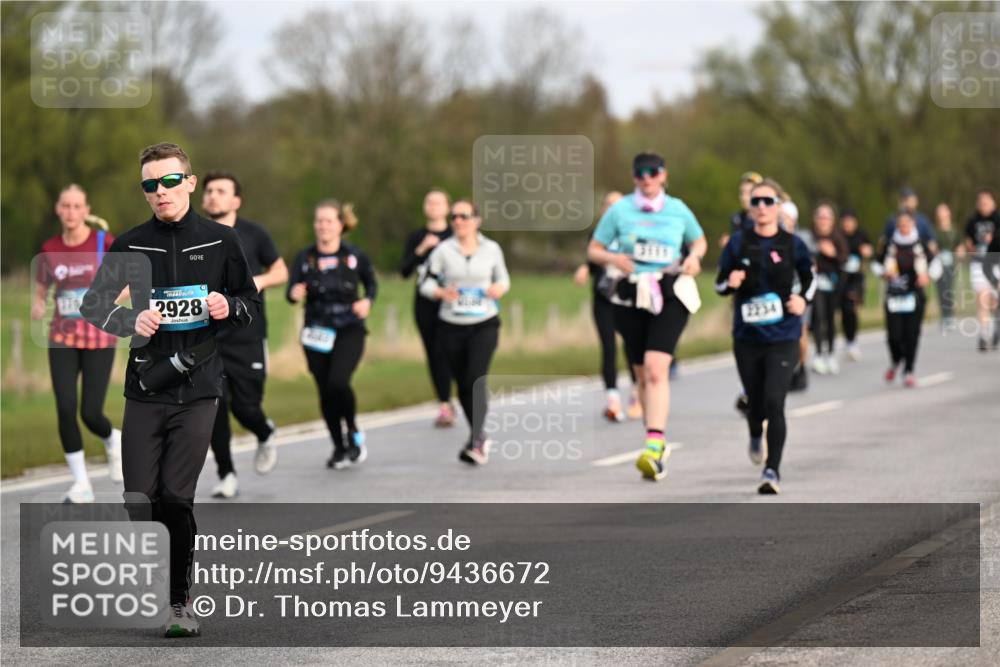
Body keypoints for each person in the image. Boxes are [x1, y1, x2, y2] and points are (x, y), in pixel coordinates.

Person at [81, 142, 261, 638]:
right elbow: (94, 306)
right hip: (146, 386)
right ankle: (164, 576)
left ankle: (178, 603)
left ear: (189, 182)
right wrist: (128, 317)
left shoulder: (221, 241)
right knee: (140, 499)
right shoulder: (130, 244)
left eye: (167, 181)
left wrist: (229, 306)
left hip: (200, 388)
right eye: (149, 185)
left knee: (176, 499)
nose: (159, 193)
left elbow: (250, 302)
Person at [587, 151, 707, 482]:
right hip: (630, 295)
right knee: (641, 374)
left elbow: (699, 241)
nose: (647, 178)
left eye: (653, 172)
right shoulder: (620, 210)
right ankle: (656, 441)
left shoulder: (678, 209)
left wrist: (694, 258)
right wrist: (615, 258)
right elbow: (593, 249)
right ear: (633, 176)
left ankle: (653, 444)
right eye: (640, 172)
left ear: (664, 175)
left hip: (670, 292)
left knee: (657, 369)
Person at [716, 178, 815, 494]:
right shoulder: (737, 243)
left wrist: (804, 300)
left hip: (784, 335)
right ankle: (755, 432)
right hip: (747, 337)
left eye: (767, 201)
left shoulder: (792, 244)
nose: (761, 207)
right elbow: (719, 285)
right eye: (756, 202)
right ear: (750, 207)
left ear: (777, 206)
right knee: (755, 403)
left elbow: (811, 278)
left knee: (775, 401)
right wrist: (731, 282)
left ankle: (772, 471)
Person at [32, 184, 122, 503]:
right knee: (66, 408)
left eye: (76, 206)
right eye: (65, 206)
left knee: (90, 413)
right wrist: (38, 303)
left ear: (86, 210)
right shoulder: (51, 247)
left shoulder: (103, 243)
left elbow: (125, 284)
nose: (71, 212)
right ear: (58, 209)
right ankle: (82, 484)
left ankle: (113, 440)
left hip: (99, 336)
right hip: (63, 337)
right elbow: (43, 285)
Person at [201, 171, 288, 499]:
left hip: (247, 335)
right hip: (208, 336)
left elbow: (281, 271)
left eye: (221, 191)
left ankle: (264, 431)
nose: (213, 196)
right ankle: (226, 473)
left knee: (245, 408)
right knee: (213, 406)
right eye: (209, 190)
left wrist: (260, 282)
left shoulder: (254, 234)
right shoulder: (196, 235)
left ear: (235, 200)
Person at [288, 200, 377, 469]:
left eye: (328, 221)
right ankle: (338, 447)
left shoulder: (354, 255)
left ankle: (353, 430)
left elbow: (371, 284)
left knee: (339, 382)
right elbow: (291, 290)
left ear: (340, 225)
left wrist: (367, 301)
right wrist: (294, 293)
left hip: (349, 327)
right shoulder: (305, 258)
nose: (323, 226)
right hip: (316, 330)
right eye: (319, 221)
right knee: (325, 390)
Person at [421, 199, 510, 465]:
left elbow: (503, 279)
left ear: (477, 220)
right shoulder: (442, 251)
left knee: (475, 377)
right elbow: (424, 281)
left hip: (484, 322)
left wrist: (498, 289)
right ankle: (479, 435)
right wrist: (439, 292)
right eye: (454, 217)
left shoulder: (491, 249)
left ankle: (475, 440)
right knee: (461, 384)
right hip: (450, 325)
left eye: (464, 216)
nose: (458, 221)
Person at [573, 190, 642, 422]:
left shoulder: (633, 231)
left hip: (629, 298)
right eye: (608, 204)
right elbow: (593, 258)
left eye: (617, 204)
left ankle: (636, 394)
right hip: (604, 299)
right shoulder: (598, 234)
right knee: (609, 348)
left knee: (632, 347)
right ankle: (613, 401)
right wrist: (585, 268)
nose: (612, 209)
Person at [400, 189, 456, 427]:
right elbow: (403, 271)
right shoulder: (417, 236)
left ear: (447, 207)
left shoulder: (456, 233)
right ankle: (444, 403)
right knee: (434, 353)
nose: (433, 206)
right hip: (425, 302)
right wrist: (421, 249)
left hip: (453, 301)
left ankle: (457, 388)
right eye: (429, 202)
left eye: (438, 202)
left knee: (452, 351)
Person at [878, 211, 933, 386]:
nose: (904, 228)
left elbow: (935, 264)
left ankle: (909, 370)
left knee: (912, 334)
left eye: (907, 224)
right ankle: (897, 359)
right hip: (894, 295)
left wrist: (927, 276)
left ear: (913, 225)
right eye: (900, 225)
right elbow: (876, 263)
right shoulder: (889, 244)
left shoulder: (920, 244)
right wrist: (884, 272)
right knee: (893, 335)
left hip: (915, 295)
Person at [809, 202, 848, 375]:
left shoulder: (838, 237)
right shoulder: (811, 237)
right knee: (818, 317)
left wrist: (832, 253)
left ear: (832, 220)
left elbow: (844, 259)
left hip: (833, 284)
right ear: (815, 219)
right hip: (815, 283)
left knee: (831, 318)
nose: (823, 220)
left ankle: (831, 354)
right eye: (820, 217)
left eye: (827, 217)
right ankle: (817, 354)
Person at [779, 199, 812, 391]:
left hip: (799, 293)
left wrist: (803, 295)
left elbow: (810, 269)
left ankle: (800, 365)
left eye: (787, 218)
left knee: (800, 336)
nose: (784, 221)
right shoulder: (771, 238)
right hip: (779, 295)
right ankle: (784, 370)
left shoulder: (802, 240)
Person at [964, 188, 999, 351]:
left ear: (993, 202)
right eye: (981, 201)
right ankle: (984, 335)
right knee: (983, 300)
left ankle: (995, 326)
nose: (983, 204)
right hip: (979, 264)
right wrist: (969, 247)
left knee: (994, 302)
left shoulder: (998, 220)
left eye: (987, 201)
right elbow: (968, 241)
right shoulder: (972, 221)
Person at [838, 208, 873, 361]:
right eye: (845, 221)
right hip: (841, 277)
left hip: (856, 277)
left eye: (850, 221)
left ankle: (852, 341)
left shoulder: (861, 235)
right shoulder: (838, 235)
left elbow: (870, 250)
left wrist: (867, 251)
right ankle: (847, 339)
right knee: (844, 310)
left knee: (851, 308)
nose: (848, 224)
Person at [933, 202, 960, 328]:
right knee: (941, 289)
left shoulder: (954, 230)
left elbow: (959, 245)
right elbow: (933, 246)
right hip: (939, 264)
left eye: (943, 211)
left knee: (949, 289)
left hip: (951, 263)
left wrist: (960, 251)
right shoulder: (935, 231)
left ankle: (950, 315)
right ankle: (944, 315)